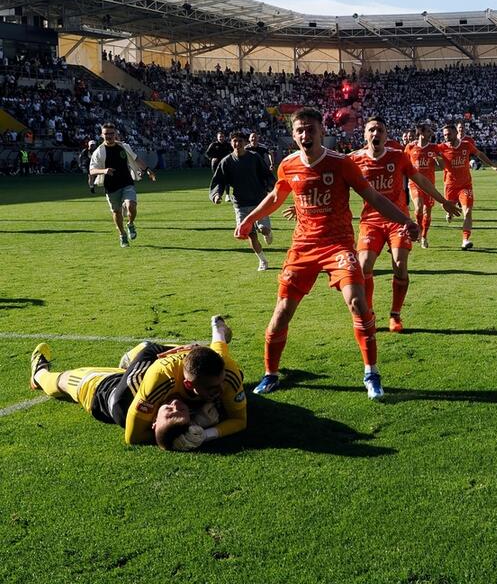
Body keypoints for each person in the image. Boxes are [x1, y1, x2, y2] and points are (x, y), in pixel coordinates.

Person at [236, 108, 419, 399]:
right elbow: (275, 197)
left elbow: (372, 197)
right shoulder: (288, 164)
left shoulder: (341, 163)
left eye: (310, 129)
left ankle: (371, 373)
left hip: (338, 245)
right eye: (300, 130)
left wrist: (406, 220)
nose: (305, 135)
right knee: (282, 312)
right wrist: (249, 220)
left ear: (322, 132)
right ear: (293, 135)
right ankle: (270, 374)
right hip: (303, 248)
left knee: (359, 303)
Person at [28, 315, 245, 450]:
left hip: (174, 364)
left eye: (220, 384)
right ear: (189, 386)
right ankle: (39, 373)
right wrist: (180, 435)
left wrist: (202, 434)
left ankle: (217, 328)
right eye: (211, 389)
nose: (220, 390)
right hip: (104, 390)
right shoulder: (160, 377)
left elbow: (239, 420)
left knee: (213, 349)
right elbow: (132, 436)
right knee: (63, 381)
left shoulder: (226, 371)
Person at [350, 117, 460, 333]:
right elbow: (332, 181)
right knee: (364, 266)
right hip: (370, 220)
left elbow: (421, 180)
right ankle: (369, 312)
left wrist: (443, 201)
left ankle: (395, 315)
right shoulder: (354, 159)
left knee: (400, 264)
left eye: (380, 130)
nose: (375, 133)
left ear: (386, 134)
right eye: (371, 130)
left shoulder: (398, 157)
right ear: (365, 135)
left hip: (399, 220)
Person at [211, 131, 276, 271]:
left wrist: (271, 187)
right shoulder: (226, 161)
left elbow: (266, 174)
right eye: (234, 141)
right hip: (240, 204)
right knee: (251, 236)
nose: (237, 144)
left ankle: (268, 232)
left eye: (240, 141)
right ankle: (263, 261)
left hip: (259, 201)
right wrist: (217, 194)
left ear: (245, 143)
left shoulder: (254, 157)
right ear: (231, 143)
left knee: (263, 229)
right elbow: (219, 180)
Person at [88, 123, 156, 247]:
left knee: (132, 206)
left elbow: (135, 159)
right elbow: (92, 170)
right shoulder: (99, 152)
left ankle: (130, 224)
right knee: (117, 212)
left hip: (126, 182)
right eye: (106, 134)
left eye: (111, 133)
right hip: (111, 186)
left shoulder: (124, 147)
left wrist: (147, 169)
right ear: (101, 135)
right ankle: (122, 235)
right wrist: (104, 171)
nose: (109, 136)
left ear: (115, 134)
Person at [437, 121, 497, 250]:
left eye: (448, 134)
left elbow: (480, 154)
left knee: (468, 211)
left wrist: (492, 165)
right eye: (444, 135)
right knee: (449, 209)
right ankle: (449, 213)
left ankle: (465, 240)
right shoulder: (441, 147)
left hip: (465, 186)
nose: (446, 137)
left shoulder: (466, 145)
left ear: (455, 133)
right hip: (450, 186)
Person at [404, 123, 443, 248]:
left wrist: (438, 159)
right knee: (419, 208)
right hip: (415, 183)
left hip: (429, 185)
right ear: (421, 133)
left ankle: (424, 236)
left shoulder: (434, 147)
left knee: (427, 212)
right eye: (428, 131)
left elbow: (442, 166)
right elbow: (403, 163)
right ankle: (419, 230)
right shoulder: (410, 147)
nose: (431, 133)